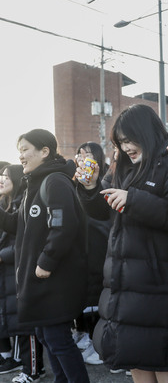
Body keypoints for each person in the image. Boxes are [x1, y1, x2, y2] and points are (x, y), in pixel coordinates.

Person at [76, 104, 168, 383]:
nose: (125, 147)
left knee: (165, 361)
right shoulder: (124, 167)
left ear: (146, 132)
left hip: (162, 285)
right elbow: (101, 210)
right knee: (136, 357)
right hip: (126, 284)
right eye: (120, 142)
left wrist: (133, 200)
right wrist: (92, 187)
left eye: (128, 140)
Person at [0, 129, 89, 383]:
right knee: (46, 337)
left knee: (58, 339)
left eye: (25, 149)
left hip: (52, 281)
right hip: (38, 282)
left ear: (45, 151)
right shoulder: (35, 184)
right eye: (19, 150)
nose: (21, 156)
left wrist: (45, 263)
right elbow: (18, 225)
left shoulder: (55, 181)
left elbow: (63, 226)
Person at [0, 164, 46, 383]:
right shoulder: (7, 204)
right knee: (16, 322)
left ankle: (33, 370)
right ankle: (25, 366)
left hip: (17, 268)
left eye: (6, 176)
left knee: (26, 325)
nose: (1, 179)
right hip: (7, 272)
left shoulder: (23, 203)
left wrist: (3, 256)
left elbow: (26, 240)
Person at [71, 142, 109, 366]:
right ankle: (85, 336)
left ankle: (99, 344)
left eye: (89, 153)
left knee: (98, 293)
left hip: (100, 241)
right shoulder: (76, 179)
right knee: (85, 292)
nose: (83, 156)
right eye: (80, 152)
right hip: (82, 242)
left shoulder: (104, 176)